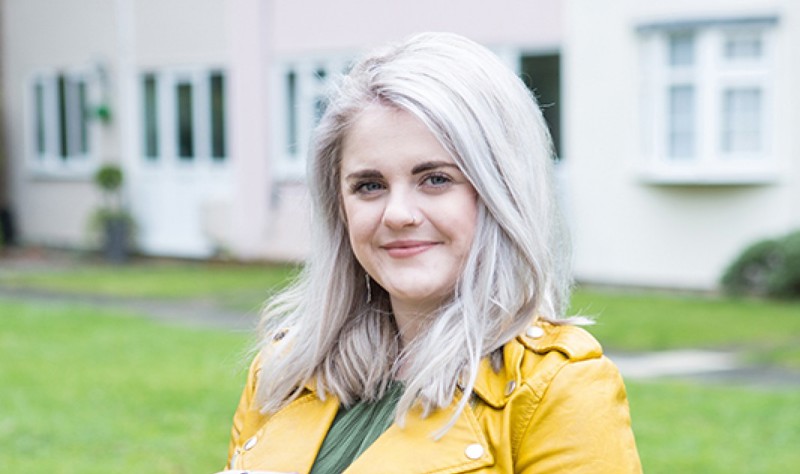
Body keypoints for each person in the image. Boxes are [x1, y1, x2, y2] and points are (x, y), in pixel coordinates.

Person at [221, 32, 641, 473]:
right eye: (370, 185)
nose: (398, 214)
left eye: (436, 179)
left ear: (501, 192)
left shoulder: (556, 388)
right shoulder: (286, 370)